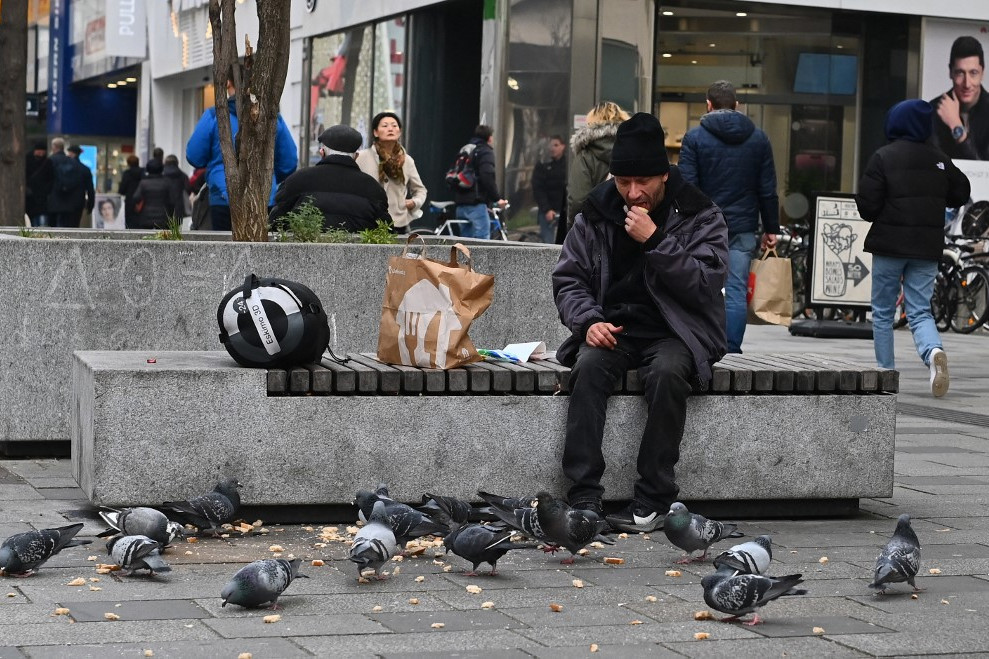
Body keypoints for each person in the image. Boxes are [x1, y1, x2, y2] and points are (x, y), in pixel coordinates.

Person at [552, 112, 728, 532]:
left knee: (668, 374)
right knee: (589, 368)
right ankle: (584, 495)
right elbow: (568, 278)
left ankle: (653, 498)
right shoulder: (595, 212)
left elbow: (706, 284)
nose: (632, 193)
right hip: (615, 327)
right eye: (622, 182)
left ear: (663, 176)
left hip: (677, 331)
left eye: (642, 183)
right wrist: (587, 322)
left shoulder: (700, 214)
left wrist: (656, 241)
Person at [855, 99, 970, 398]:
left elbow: (866, 205)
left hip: (889, 247)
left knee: (882, 312)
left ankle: (886, 374)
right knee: (920, 311)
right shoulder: (940, 158)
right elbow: (962, 192)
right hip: (926, 248)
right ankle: (933, 353)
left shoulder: (883, 157)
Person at [678, 80, 780, 354]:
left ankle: (701, 342)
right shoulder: (759, 139)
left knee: (700, 284)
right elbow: (767, 189)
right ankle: (732, 349)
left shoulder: (695, 138)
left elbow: (687, 185)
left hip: (703, 225)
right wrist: (771, 228)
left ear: (708, 105)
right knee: (735, 291)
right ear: (737, 106)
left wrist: (685, 222)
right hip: (743, 226)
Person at [186, 78, 298, 231]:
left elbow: (194, 156)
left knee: (224, 249)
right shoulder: (272, 117)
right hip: (264, 196)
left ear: (228, 83)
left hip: (223, 196)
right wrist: (270, 176)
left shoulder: (215, 116)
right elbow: (289, 162)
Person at [268, 125, 391, 232]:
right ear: (356, 156)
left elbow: (276, 221)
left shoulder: (297, 180)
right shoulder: (373, 188)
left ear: (322, 152)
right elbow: (386, 229)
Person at [565, 101, 630, 241]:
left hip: (595, 233)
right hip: (630, 229)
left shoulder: (586, 155)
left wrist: (574, 232)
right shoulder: (634, 150)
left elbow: (577, 200)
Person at [355, 112, 427, 234]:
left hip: (399, 224)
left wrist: (414, 202)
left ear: (399, 132)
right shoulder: (361, 157)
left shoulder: (407, 160)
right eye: (385, 126)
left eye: (394, 126)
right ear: (375, 132)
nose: (390, 129)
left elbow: (420, 190)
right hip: (368, 222)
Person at [930, 36, 989, 161]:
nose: (967, 84)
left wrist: (956, 125)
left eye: (973, 73)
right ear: (950, 72)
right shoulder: (933, 111)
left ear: (982, 73)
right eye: (960, 73)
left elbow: (984, 172)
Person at [451, 125, 507, 240]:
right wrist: (497, 199)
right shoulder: (485, 152)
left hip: (461, 204)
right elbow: (487, 176)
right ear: (489, 138)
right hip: (476, 205)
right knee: (482, 241)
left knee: (465, 243)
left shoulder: (466, 149)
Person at [48, 144, 95, 228]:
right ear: (79, 154)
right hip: (77, 203)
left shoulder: (60, 166)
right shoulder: (84, 169)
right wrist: (91, 204)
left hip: (60, 201)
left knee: (60, 226)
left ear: (70, 153)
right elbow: (90, 189)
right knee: (74, 226)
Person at [531, 134, 567, 243]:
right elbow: (538, 188)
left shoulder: (568, 164)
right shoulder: (542, 165)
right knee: (548, 242)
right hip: (547, 210)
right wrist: (546, 209)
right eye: (551, 146)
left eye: (556, 145)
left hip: (563, 209)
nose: (552, 148)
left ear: (563, 146)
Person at [131, 159, 184, 230]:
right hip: (163, 217)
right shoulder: (167, 182)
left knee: (145, 239)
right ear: (162, 169)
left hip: (146, 216)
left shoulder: (143, 183)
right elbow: (172, 201)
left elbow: (136, 197)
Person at [25, 140, 53, 227]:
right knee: (40, 222)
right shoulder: (47, 162)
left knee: (39, 222)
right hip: (34, 197)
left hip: (37, 197)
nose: (41, 153)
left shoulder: (47, 162)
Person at [118, 155, 144, 229]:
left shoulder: (127, 174)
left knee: (130, 224)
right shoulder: (143, 173)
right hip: (141, 202)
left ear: (128, 163)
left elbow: (122, 190)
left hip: (129, 202)